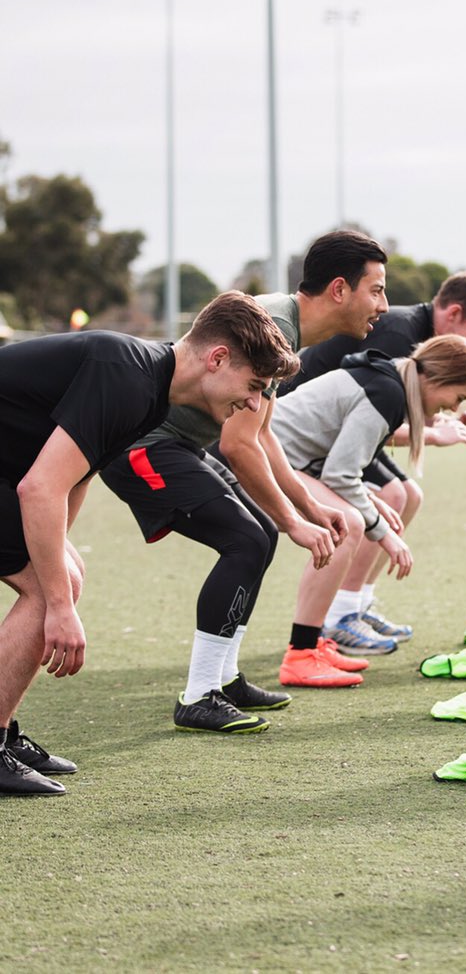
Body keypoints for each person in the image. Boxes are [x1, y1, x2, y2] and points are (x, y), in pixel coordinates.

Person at [0, 291, 297, 795]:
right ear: (218, 358)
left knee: (66, 570)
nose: (253, 403)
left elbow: (77, 477)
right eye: (253, 386)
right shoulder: (128, 377)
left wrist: (58, 567)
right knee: (57, 583)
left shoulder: (151, 386)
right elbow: (39, 488)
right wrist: (56, 604)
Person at [101, 230, 389, 735]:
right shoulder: (275, 322)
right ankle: (199, 695)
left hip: (175, 445)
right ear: (340, 289)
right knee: (246, 537)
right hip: (143, 446)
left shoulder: (286, 327)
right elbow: (237, 446)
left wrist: (304, 507)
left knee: (258, 534)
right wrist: (294, 522)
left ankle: (223, 678)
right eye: (377, 290)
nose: (383, 305)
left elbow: (262, 434)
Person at [277, 270, 466, 654]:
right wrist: (384, 531)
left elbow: (380, 419)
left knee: (402, 496)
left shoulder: (408, 368)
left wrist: (442, 421)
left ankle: (352, 607)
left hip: (314, 445)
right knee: (370, 511)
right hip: (295, 443)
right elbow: (368, 426)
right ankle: (335, 621)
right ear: (453, 313)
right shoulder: (399, 338)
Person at [270, 334, 466, 685]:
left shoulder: (391, 381)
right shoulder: (388, 391)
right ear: (436, 378)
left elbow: (340, 466)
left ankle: (313, 643)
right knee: (349, 524)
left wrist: (372, 505)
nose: (452, 407)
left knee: (357, 517)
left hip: (285, 463)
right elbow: (340, 475)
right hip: (262, 464)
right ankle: (301, 654)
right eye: (457, 397)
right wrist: (386, 537)